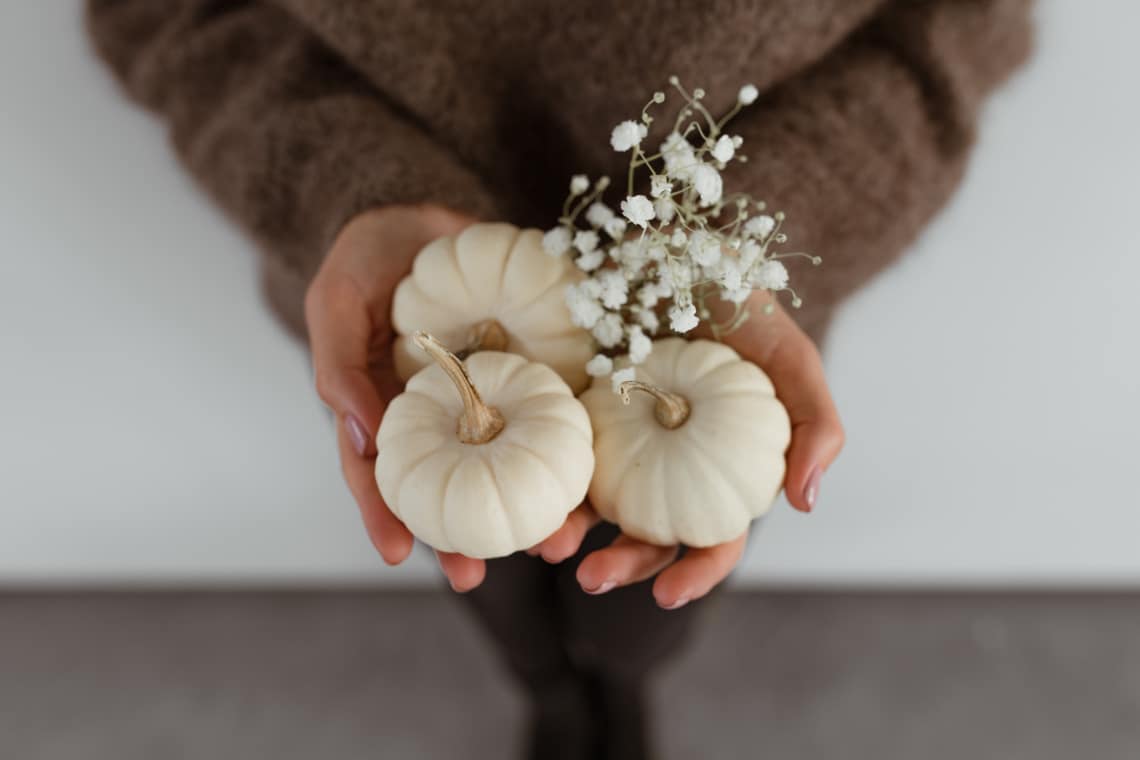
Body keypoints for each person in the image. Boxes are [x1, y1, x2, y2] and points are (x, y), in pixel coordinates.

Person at [87, 1, 1033, 757]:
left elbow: (959, 26)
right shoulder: (413, 360)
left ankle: (619, 689)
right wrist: (351, 181)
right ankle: (547, 692)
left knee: (649, 591)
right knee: (480, 561)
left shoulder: (712, 329)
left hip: (701, 331)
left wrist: (730, 244)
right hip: (405, 341)